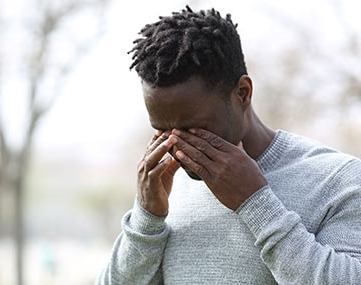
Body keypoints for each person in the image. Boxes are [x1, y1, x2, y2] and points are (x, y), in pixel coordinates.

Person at [96, 6, 361, 284]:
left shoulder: (340, 181)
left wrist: (255, 202)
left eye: (192, 128)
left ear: (242, 94)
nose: (177, 146)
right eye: (162, 130)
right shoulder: (166, 188)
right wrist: (146, 219)